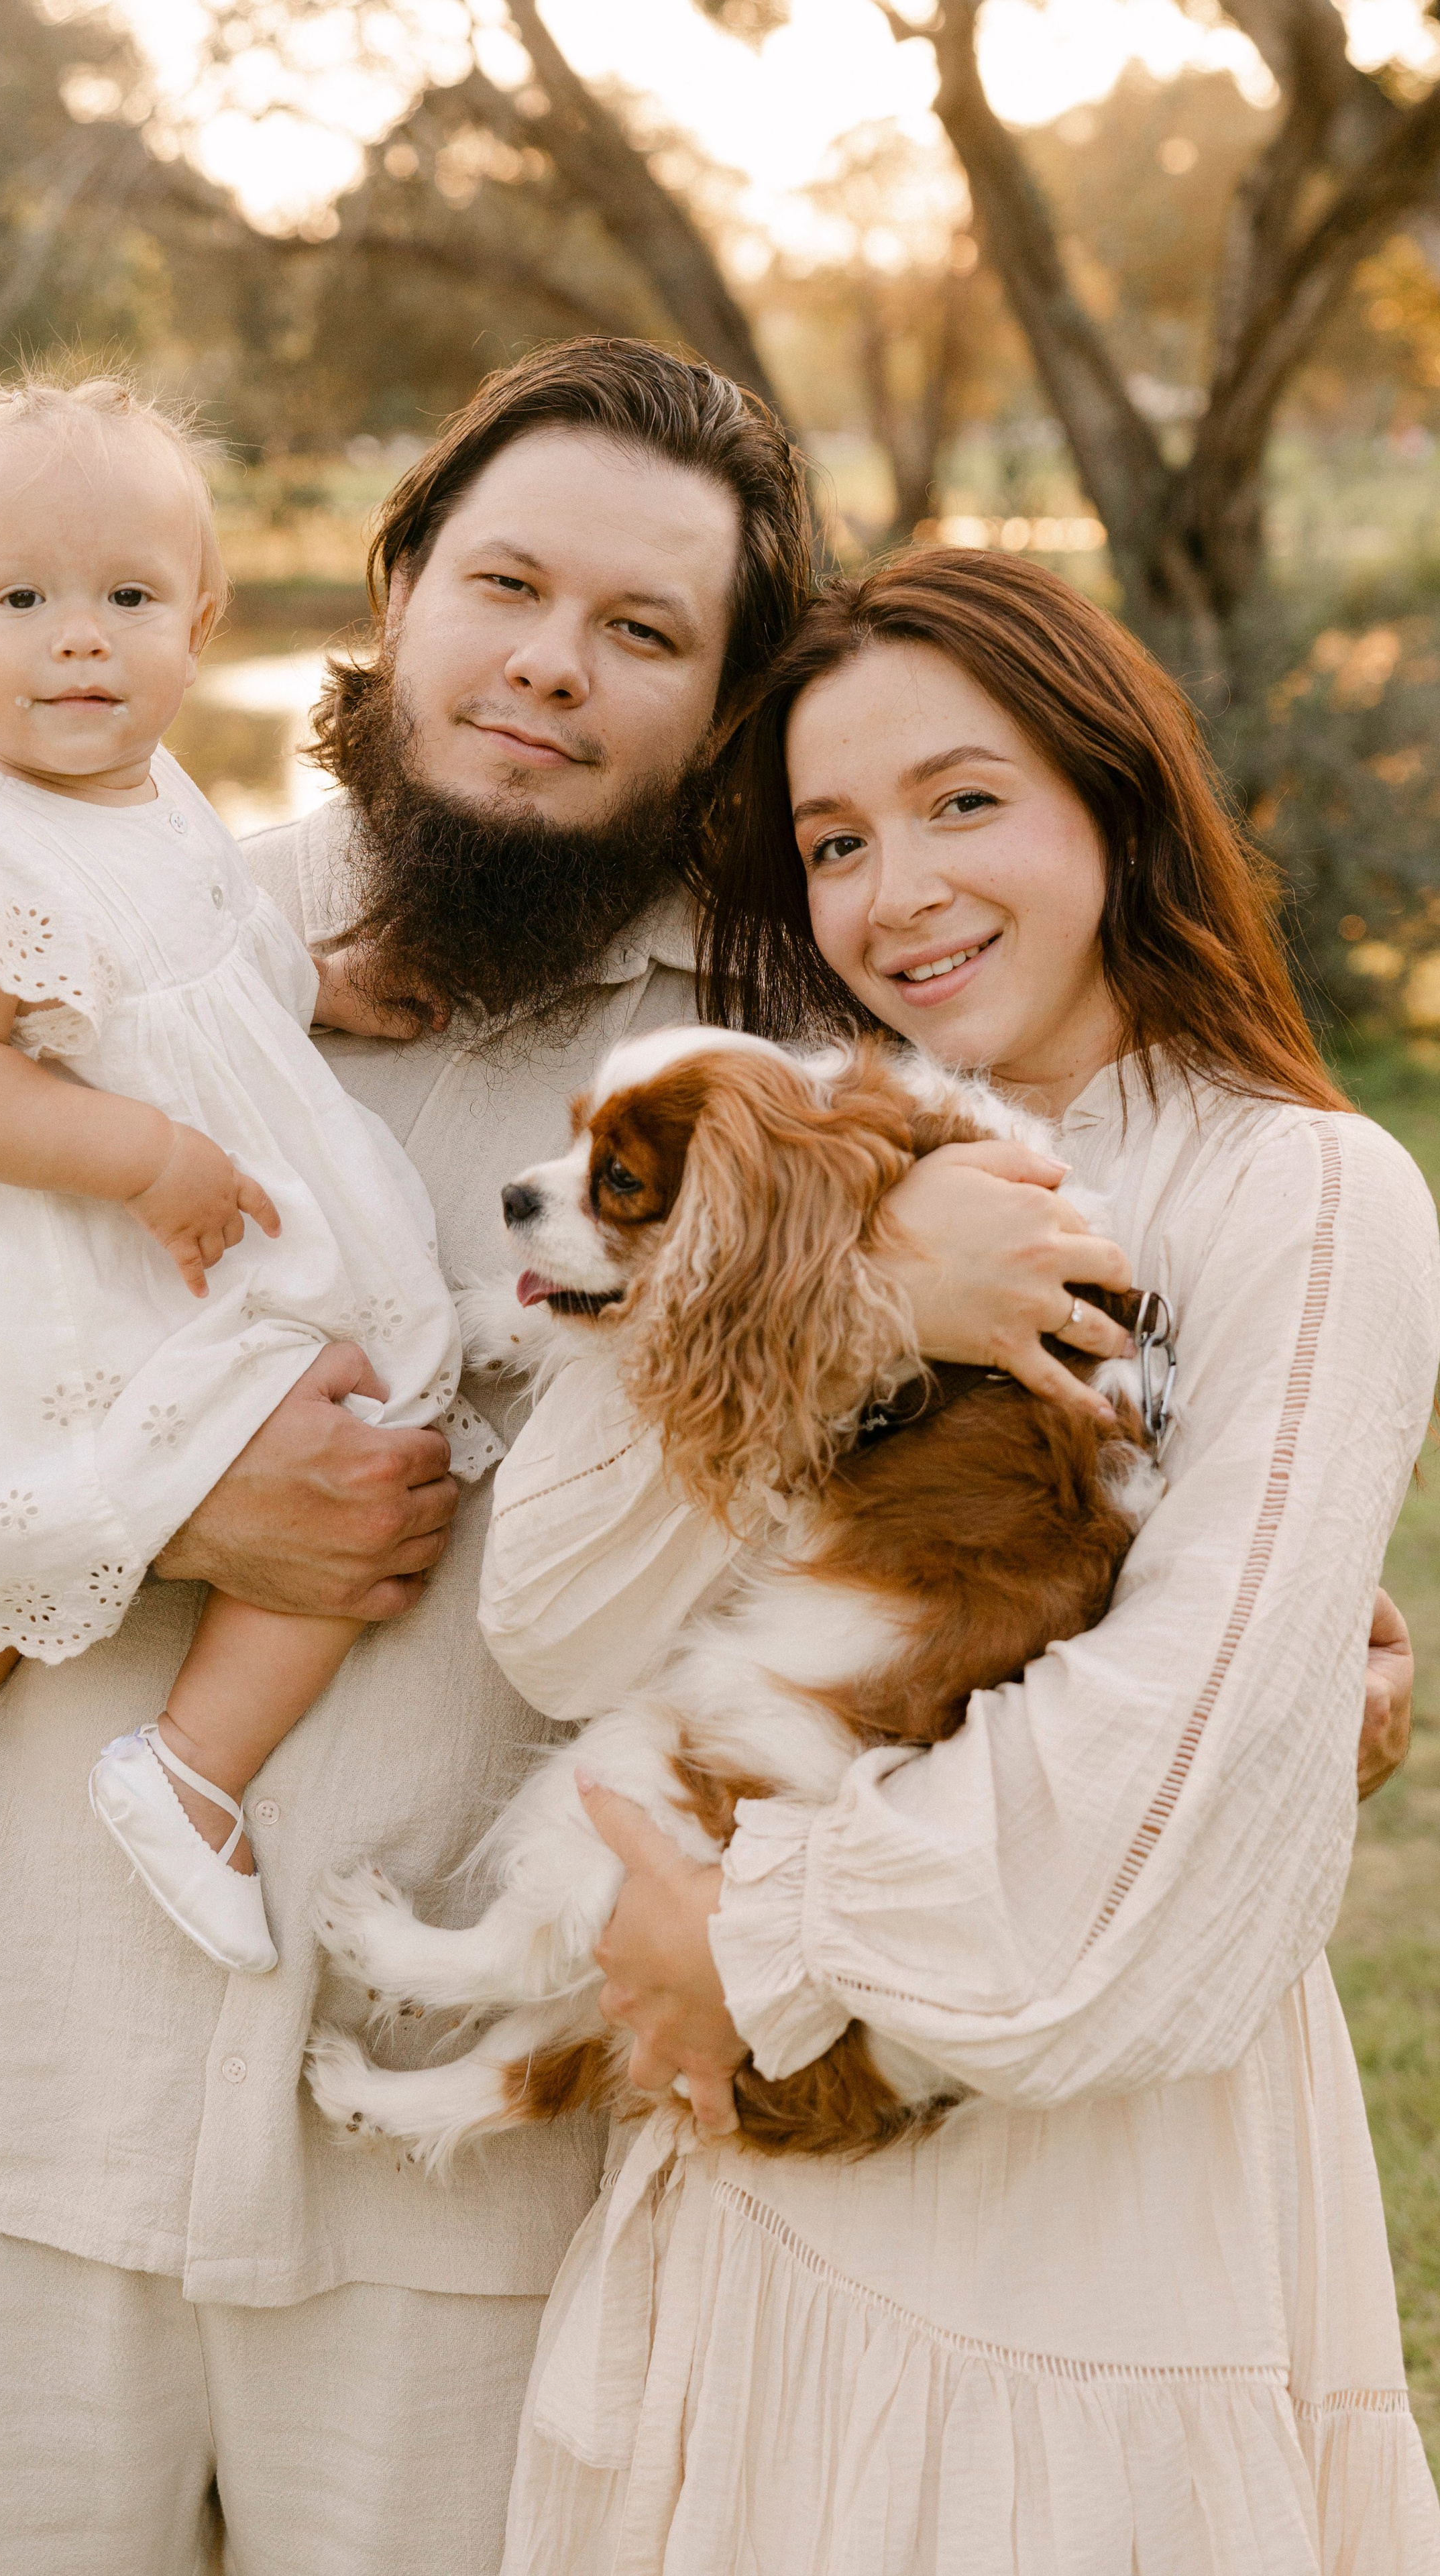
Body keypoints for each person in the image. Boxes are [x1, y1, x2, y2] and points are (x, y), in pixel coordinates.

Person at [0, 343, 1415, 2576]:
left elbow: (1025, 1536)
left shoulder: (809, 1075)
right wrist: (167, 1511)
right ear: (402, 583)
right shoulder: (124, 923)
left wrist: (1307, 1661)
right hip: (5, 2121)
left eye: (644, 633)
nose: (551, 666)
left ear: (724, 707)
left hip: (465, 2212)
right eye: (506, 584)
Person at [482, 553, 1440, 2575]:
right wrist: (871, 1297)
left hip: (1081, 2222)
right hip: (755, 2194)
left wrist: (759, 1938)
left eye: (964, 802)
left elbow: (1178, 1777)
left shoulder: (1305, 1193)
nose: (894, 889)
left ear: (1112, 795)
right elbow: (552, 1620)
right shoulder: (788, 1146)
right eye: (836, 840)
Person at [0, 366, 500, 2008]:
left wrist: (317, 985)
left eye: (128, 598)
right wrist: (150, 1158)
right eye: (23, 601)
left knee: (329, 1434)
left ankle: (144, 1780)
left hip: (115, 1244)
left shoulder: (148, 795)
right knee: (68, 1496)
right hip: (33, 1243)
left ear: (198, 621)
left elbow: (185, 966)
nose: (81, 638)